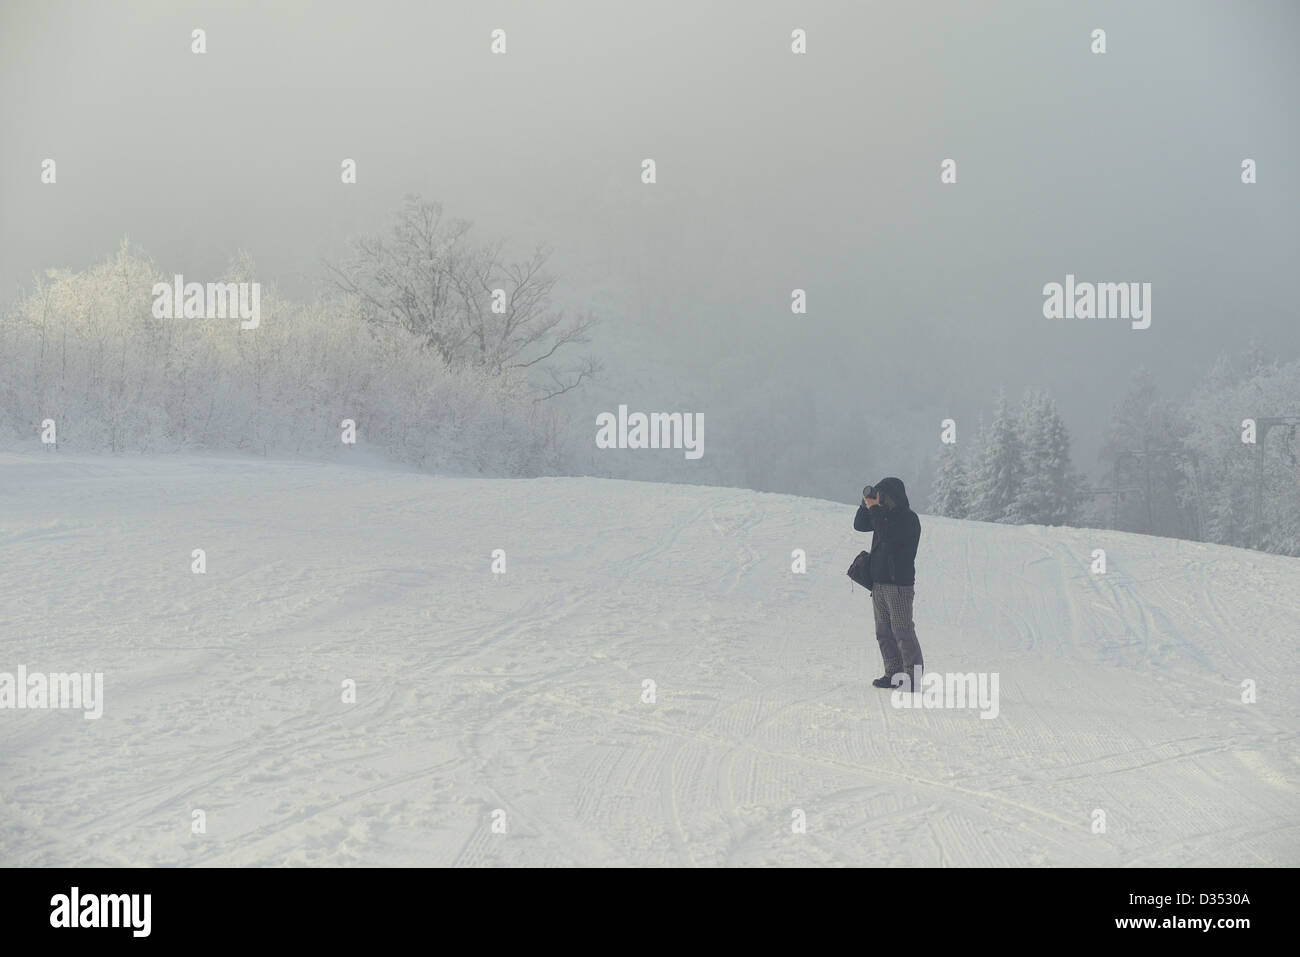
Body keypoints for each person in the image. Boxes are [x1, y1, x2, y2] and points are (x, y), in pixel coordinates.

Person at [854, 477, 924, 691]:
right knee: (883, 632)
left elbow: (887, 534)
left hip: (899, 585)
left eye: (882, 496)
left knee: (902, 630)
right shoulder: (880, 516)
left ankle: (914, 678)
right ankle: (893, 673)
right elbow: (859, 525)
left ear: (894, 496)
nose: (880, 500)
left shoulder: (908, 519)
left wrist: (875, 509)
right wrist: (865, 504)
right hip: (879, 583)